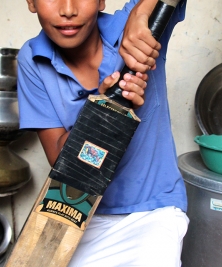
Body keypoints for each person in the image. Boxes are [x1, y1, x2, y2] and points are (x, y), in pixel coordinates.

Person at [17, 0, 189, 266]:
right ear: (31, 2)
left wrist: (141, 13)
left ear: (100, 1)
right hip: (76, 211)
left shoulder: (135, 24)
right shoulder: (32, 57)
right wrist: (101, 110)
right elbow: (59, 158)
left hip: (151, 212)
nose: (68, 9)